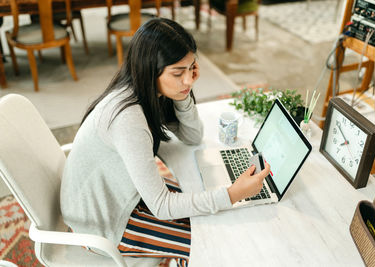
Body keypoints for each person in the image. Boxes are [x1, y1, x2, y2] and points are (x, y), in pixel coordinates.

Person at [60, 18, 270, 266]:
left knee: (205, 204)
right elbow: (162, 206)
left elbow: (192, 137)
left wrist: (183, 95)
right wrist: (234, 194)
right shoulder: (127, 117)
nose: (189, 80)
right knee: (208, 239)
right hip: (104, 221)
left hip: (123, 195)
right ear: (150, 69)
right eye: (178, 73)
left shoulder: (149, 93)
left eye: (192, 68)